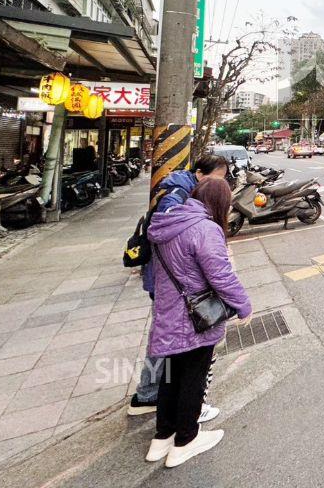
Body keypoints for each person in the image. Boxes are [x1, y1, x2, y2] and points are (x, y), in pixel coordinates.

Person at [144, 177, 251, 468]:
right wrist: (243, 305)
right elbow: (221, 276)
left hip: (168, 313)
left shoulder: (166, 225)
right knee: (193, 377)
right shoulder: (205, 229)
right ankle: (186, 440)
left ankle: (162, 437)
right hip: (195, 318)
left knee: (170, 377)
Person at [129, 155, 229, 417]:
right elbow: (169, 237)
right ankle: (166, 402)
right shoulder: (176, 197)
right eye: (217, 178)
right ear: (199, 174)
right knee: (174, 346)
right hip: (174, 285)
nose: (220, 185)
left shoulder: (182, 191)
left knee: (164, 341)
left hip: (172, 282)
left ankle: (149, 394)